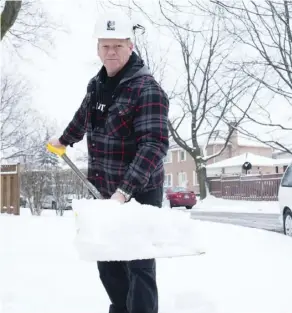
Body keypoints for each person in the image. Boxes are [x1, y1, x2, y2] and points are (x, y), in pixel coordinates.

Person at [48, 11, 169, 313]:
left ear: (130, 46)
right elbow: (84, 118)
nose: (111, 52)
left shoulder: (147, 89)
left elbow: (154, 146)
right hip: (103, 189)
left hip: (139, 192)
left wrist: (124, 192)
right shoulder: (96, 84)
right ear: (97, 48)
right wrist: (63, 140)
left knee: (139, 263)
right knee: (109, 261)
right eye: (105, 46)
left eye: (118, 46)